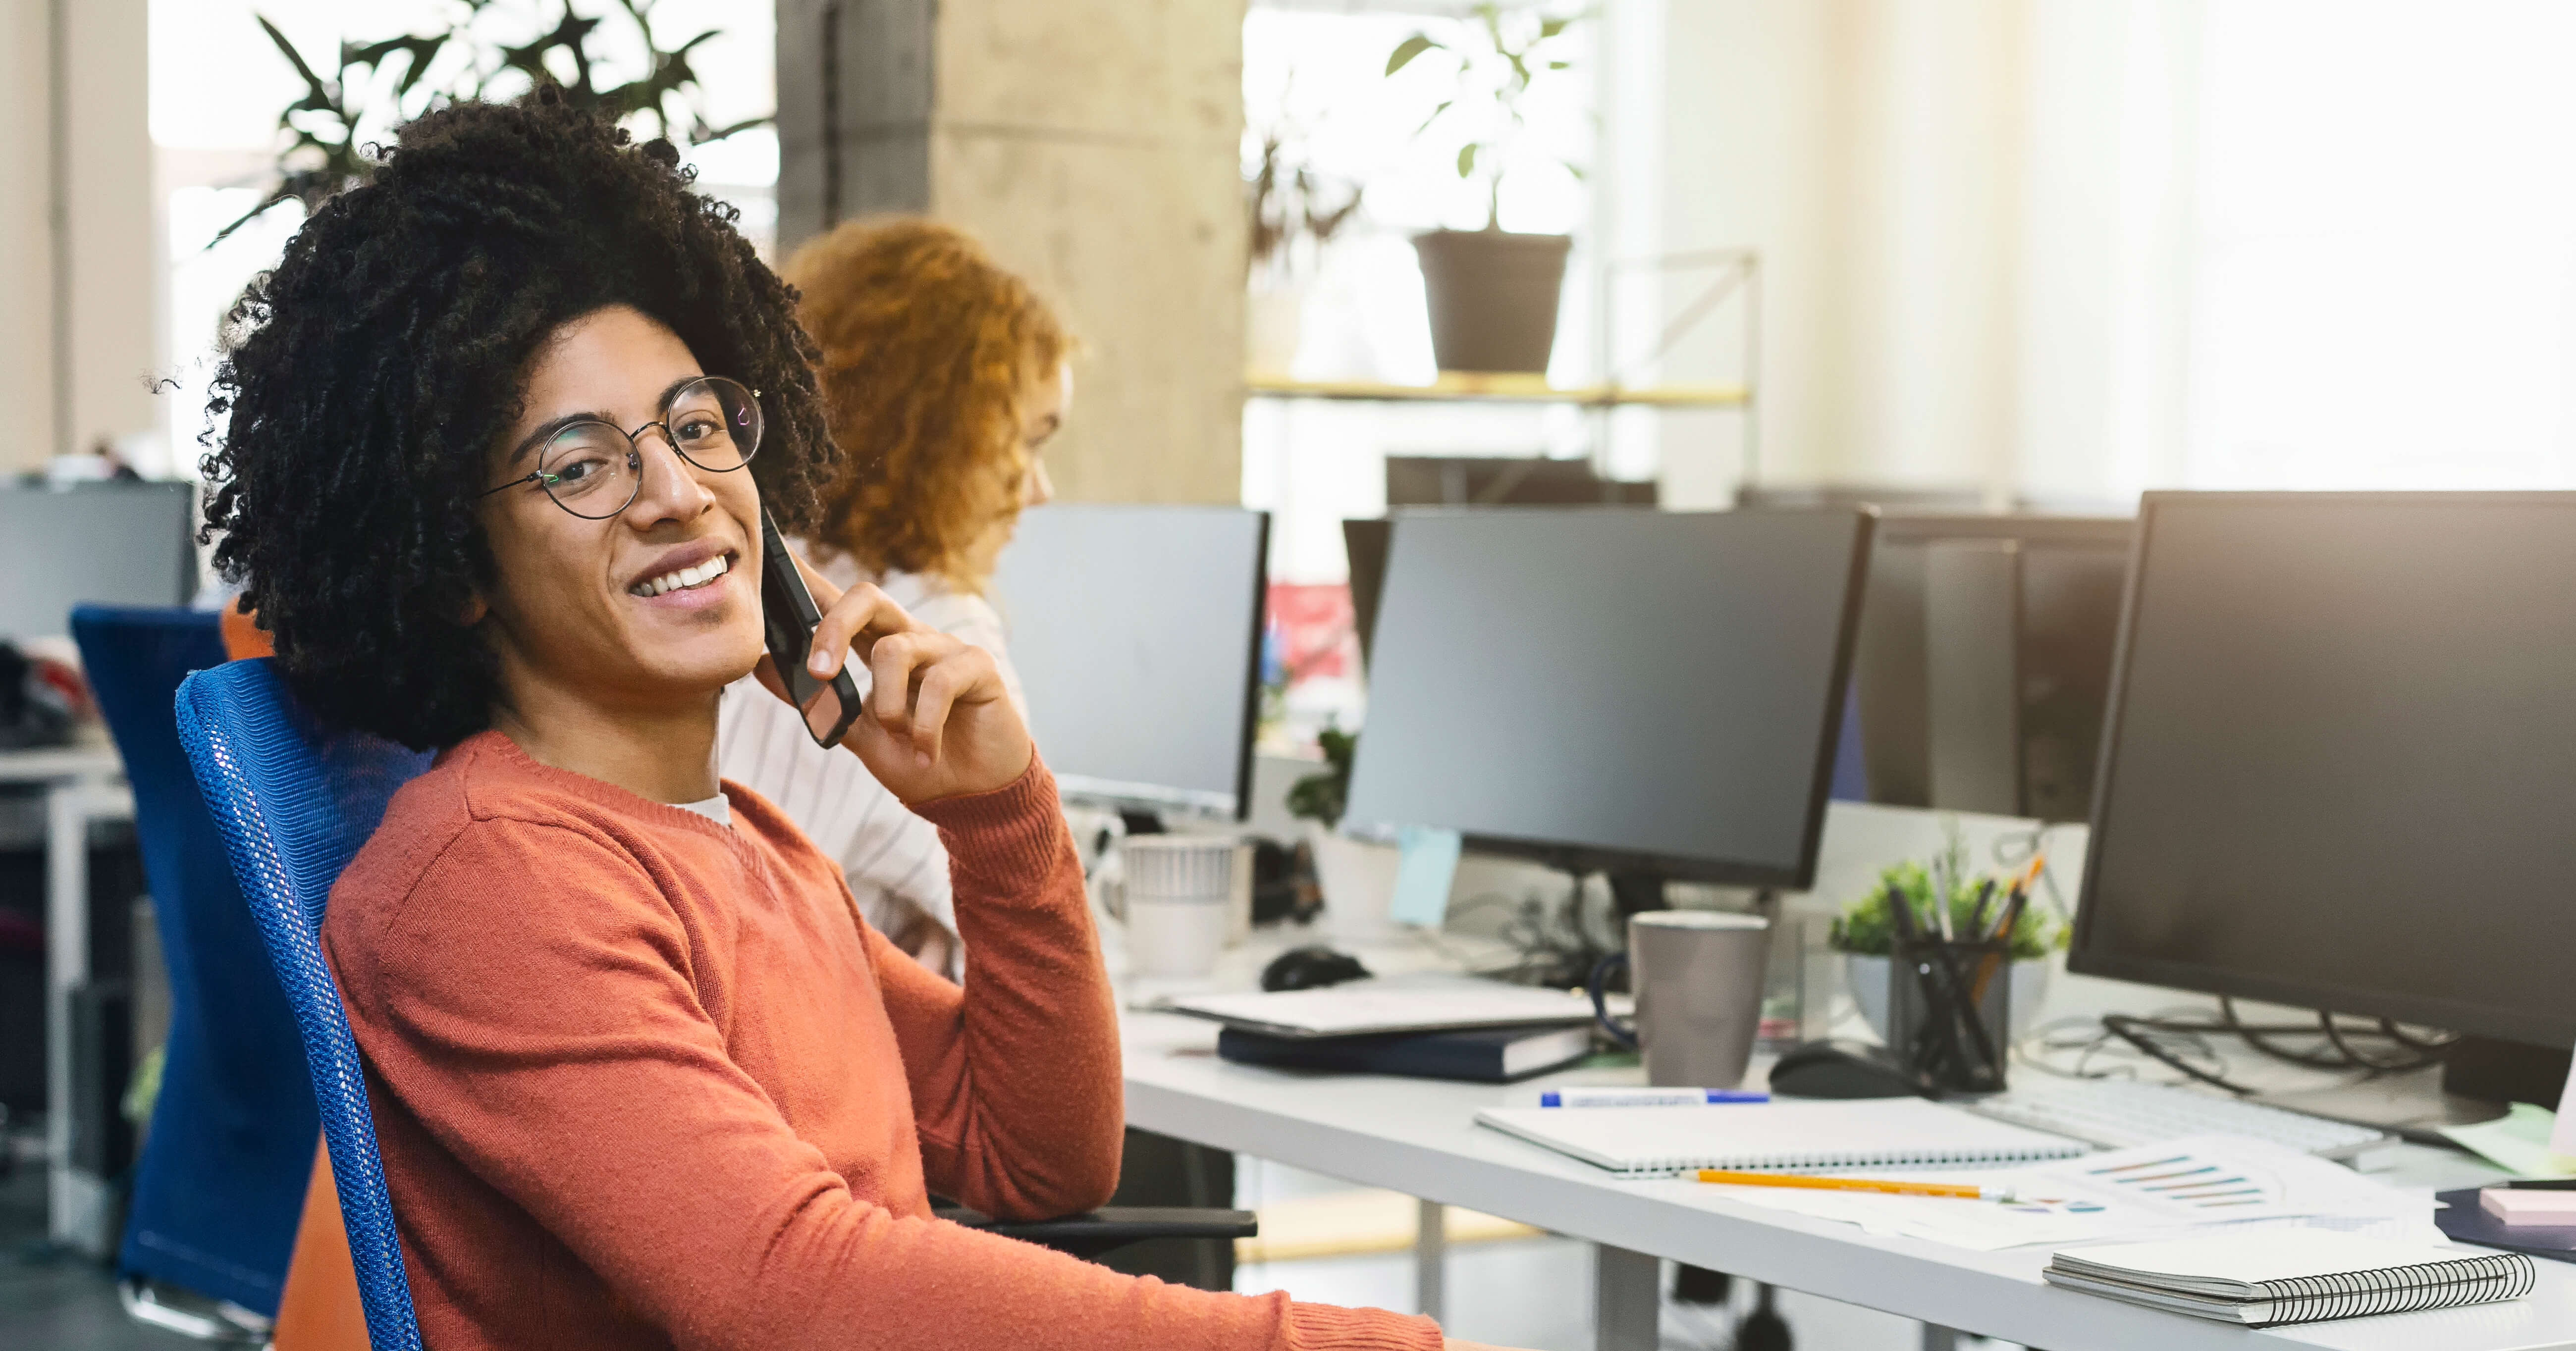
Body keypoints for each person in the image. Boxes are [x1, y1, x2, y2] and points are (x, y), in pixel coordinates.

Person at [201, 90, 1517, 1351]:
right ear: (454, 563)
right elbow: (796, 1298)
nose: (677, 493)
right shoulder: (490, 879)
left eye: (698, 425)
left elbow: (1041, 1154)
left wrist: (999, 820)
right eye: (583, 465)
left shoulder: (753, 847)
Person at [717, 217, 1071, 974]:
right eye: (1028, 441)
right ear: (951, 434)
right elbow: (1033, 957)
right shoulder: (934, 631)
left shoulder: (747, 573)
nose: (1040, 490)